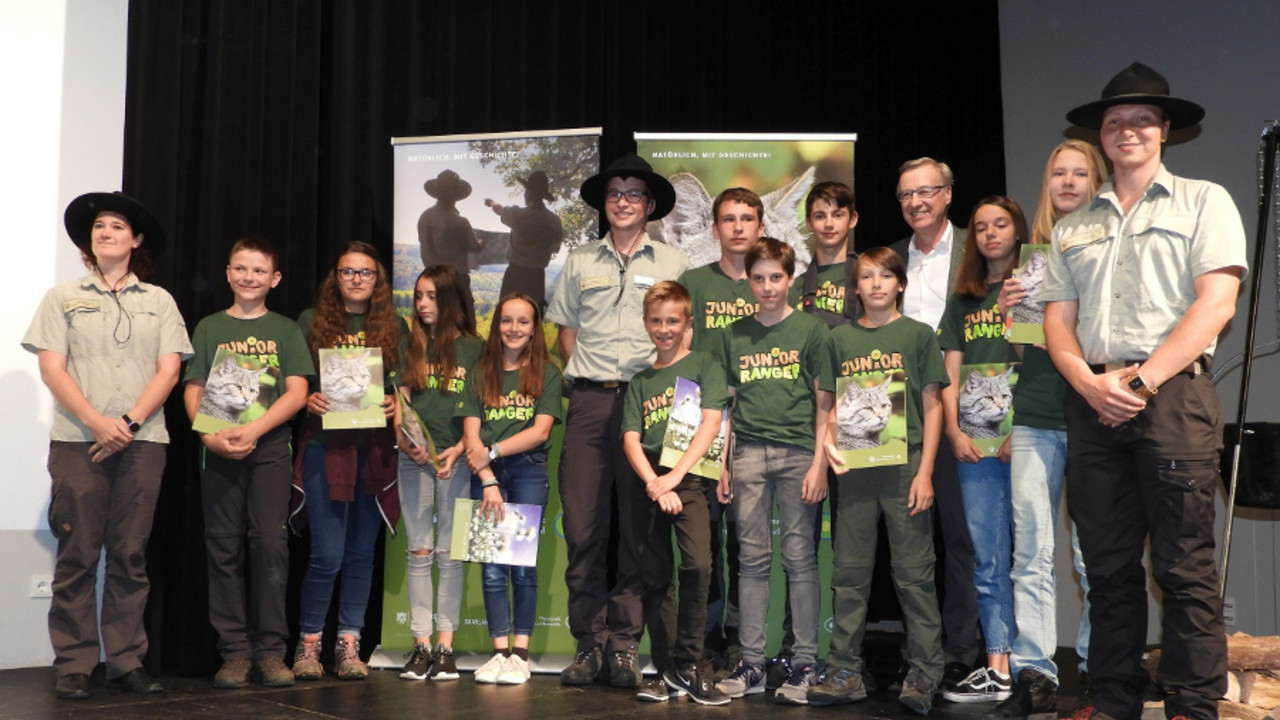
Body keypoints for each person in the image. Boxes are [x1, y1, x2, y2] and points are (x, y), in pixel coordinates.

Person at [1042, 62, 1246, 720]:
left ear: (1164, 130)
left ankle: (1192, 705)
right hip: (1093, 401)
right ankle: (1113, 701)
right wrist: (1086, 381)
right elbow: (1057, 321)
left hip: (1174, 400)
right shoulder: (1072, 227)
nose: (1127, 130)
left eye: (1140, 120)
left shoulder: (1203, 201)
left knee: (1184, 566)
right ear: (1101, 136)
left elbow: (1216, 304)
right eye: (1114, 122)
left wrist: (1142, 378)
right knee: (1105, 568)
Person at [23, 192, 193, 699]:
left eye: (117, 227)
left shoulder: (159, 300)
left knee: (129, 554)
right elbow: (52, 366)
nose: (106, 233)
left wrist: (130, 422)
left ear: (135, 240)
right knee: (78, 553)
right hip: (79, 441)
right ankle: (74, 662)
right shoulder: (62, 296)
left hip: (143, 443)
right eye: (99, 227)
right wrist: (99, 422)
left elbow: (171, 368)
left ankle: (125, 660)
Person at [546, 152, 689, 687]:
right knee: (583, 527)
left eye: (634, 194)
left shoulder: (675, 264)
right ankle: (590, 644)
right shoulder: (580, 261)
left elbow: (682, 337)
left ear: (650, 205)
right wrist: (586, 371)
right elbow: (564, 330)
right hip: (589, 405)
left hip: (648, 403)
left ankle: (625, 645)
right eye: (614, 194)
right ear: (604, 206)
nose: (623, 201)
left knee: (637, 530)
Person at [806, 246, 947, 715]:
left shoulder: (918, 335)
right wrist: (825, 451)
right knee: (849, 573)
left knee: (913, 573)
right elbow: (826, 408)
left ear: (900, 283)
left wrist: (925, 472)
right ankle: (845, 668)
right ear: (855, 288)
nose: (877, 284)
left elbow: (932, 406)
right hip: (855, 466)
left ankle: (926, 669)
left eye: (886, 275)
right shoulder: (838, 339)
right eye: (866, 277)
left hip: (905, 464)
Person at [994, 139, 1108, 718]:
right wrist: (1010, 309)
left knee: (1093, 555)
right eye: (1058, 173)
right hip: (1037, 415)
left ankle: (1094, 669)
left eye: (1079, 173)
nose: (1067, 182)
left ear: (1097, 181)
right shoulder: (1027, 257)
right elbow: (1023, 350)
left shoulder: (1113, 248)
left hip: (1094, 415)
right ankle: (1035, 671)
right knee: (1031, 552)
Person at [182, 236, 312, 689]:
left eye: (258, 271)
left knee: (269, 547)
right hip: (217, 453)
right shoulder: (208, 327)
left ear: (274, 279)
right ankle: (234, 652)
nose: (248, 277)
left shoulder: (286, 329)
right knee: (223, 549)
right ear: (227, 272)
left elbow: (297, 392)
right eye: (241, 268)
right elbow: (193, 388)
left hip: (270, 452)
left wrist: (254, 430)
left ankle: (271, 652)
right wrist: (208, 436)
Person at [710, 238, 831, 705]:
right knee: (753, 561)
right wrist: (722, 462)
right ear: (749, 281)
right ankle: (752, 663)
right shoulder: (733, 335)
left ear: (790, 279)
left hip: (800, 453)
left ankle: (804, 663)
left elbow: (826, 403)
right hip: (749, 457)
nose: (766, 286)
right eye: (758, 278)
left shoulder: (812, 331)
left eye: (775, 278)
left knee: (800, 560)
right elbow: (725, 406)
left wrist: (820, 463)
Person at [291, 241, 406, 681]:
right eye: (347, 272)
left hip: (374, 449)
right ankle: (308, 645)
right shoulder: (311, 320)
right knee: (326, 555)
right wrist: (309, 397)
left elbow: (400, 385)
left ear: (377, 281)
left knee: (361, 555)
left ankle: (349, 644)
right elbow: (296, 381)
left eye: (366, 273)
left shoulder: (394, 323)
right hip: (325, 448)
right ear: (334, 278)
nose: (356, 279)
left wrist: (396, 402)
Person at [888, 158, 980, 691]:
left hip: (962, 413)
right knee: (906, 542)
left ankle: (961, 652)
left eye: (926, 191)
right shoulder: (887, 259)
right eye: (905, 195)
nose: (916, 201)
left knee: (963, 539)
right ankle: (919, 650)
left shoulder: (978, 247)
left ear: (947, 193)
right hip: (895, 414)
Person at [936, 197, 1027, 704]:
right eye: (981, 228)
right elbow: (949, 372)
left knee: (1033, 556)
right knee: (986, 558)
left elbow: (1037, 359)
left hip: (1026, 436)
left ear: (1017, 230)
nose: (991, 234)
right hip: (973, 442)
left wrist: (1023, 429)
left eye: (1001, 224)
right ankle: (998, 667)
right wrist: (952, 430)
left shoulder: (1032, 288)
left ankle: (1038, 667)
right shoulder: (962, 300)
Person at [622, 281, 730, 705]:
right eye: (656, 321)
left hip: (688, 479)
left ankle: (690, 663)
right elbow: (631, 438)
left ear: (687, 323)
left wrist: (674, 478)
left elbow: (709, 423)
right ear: (646, 323)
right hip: (646, 480)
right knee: (655, 578)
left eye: (672, 321)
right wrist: (653, 481)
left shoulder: (704, 364)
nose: (664, 329)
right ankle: (668, 671)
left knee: (699, 566)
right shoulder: (640, 380)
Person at [674, 186, 763, 679]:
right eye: (728, 219)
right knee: (702, 541)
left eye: (746, 218)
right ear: (714, 229)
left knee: (743, 539)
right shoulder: (692, 281)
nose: (737, 227)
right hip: (698, 420)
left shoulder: (766, 283)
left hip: (753, 420)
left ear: (760, 227)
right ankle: (703, 639)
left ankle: (736, 637)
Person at [459, 293, 562, 686]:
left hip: (528, 470)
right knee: (491, 570)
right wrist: (487, 476)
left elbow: (540, 431)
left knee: (521, 568)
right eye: (506, 321)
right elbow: (470, 432)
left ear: (535, 328)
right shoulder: (479, 372)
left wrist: (492, 451)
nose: (514, 329)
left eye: (523, 321)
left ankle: (521, 654)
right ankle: (498, 653)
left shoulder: (548, 373)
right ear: (496, 325)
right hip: (486, 475)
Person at [395, 265, 482, 682]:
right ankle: (420, 646)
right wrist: (404, 441)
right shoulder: (407, 345)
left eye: (432, 296)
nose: (424, 304)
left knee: (449, 556)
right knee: (418, 552)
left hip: (457, 460)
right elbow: (401, 402)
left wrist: (462, 448)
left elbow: (481, 409)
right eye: (419, 297)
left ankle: (445, 649)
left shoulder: (473, 349)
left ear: (451, 301)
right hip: (415, 461)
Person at [487, 170, 564, 310]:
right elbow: (557, 248)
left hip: (515, 275)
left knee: (507, 313)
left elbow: (499, 209)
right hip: (537, 277)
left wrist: (491, 202)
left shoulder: (518, 215)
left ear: (528, 192)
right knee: (532, 317)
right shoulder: (554, 221)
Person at [791, 181, 860, 325]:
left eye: (837, 215)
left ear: (853, 220)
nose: (829, 224)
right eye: (820, 216)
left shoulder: (868, 277)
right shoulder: (794, 286)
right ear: (809, 223)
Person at [418, 169, 482, 306]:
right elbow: (475, 247)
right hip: (456, 281)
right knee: (464, 322)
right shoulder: (460, 222)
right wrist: (482, 242)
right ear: (456, 196)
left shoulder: (425, 217)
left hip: (430, 278)